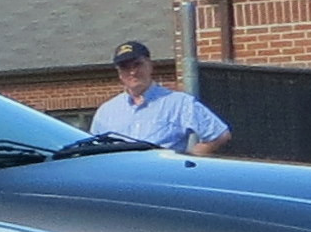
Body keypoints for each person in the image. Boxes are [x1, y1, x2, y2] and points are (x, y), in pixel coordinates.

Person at [92, 40, 229, 155]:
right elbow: (93, 151)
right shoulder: (106, 112)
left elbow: (220, 135)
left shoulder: (179, 103)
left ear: (150, 66)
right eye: (125, 67)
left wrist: (188, 160)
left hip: (161, 180)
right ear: (119, 73)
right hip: (120, 182)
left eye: (138, 64)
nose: (132, 72)